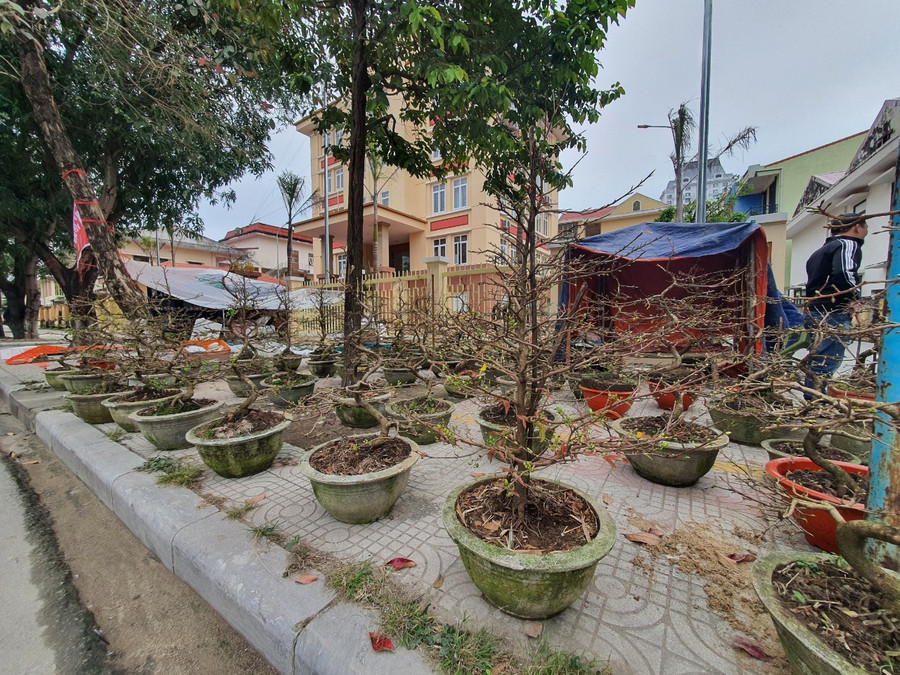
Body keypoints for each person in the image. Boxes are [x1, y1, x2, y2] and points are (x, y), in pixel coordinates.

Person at [802, 213, 868, 395]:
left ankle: (812, 398)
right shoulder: (847, 244)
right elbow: (844, 273)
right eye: (865, 226)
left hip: (815, 310)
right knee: (826, 361)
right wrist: (855, 298)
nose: (866, 230)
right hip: (832, 311)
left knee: (817, 359)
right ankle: (816, 401)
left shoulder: (819, 252)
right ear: (856, 227)